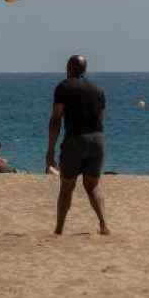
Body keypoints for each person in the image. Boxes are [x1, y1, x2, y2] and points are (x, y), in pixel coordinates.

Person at [46, 54, 110, 235]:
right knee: (92, 185)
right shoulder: (98, 90)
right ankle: (103, 224)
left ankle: (59, 229)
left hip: (75, 140)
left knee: (67, 186)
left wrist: (50, 150)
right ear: (85, 69)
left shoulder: (63, 87)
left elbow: (56, 119)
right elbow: (101, 119)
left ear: (69, 68)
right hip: (98, 140)